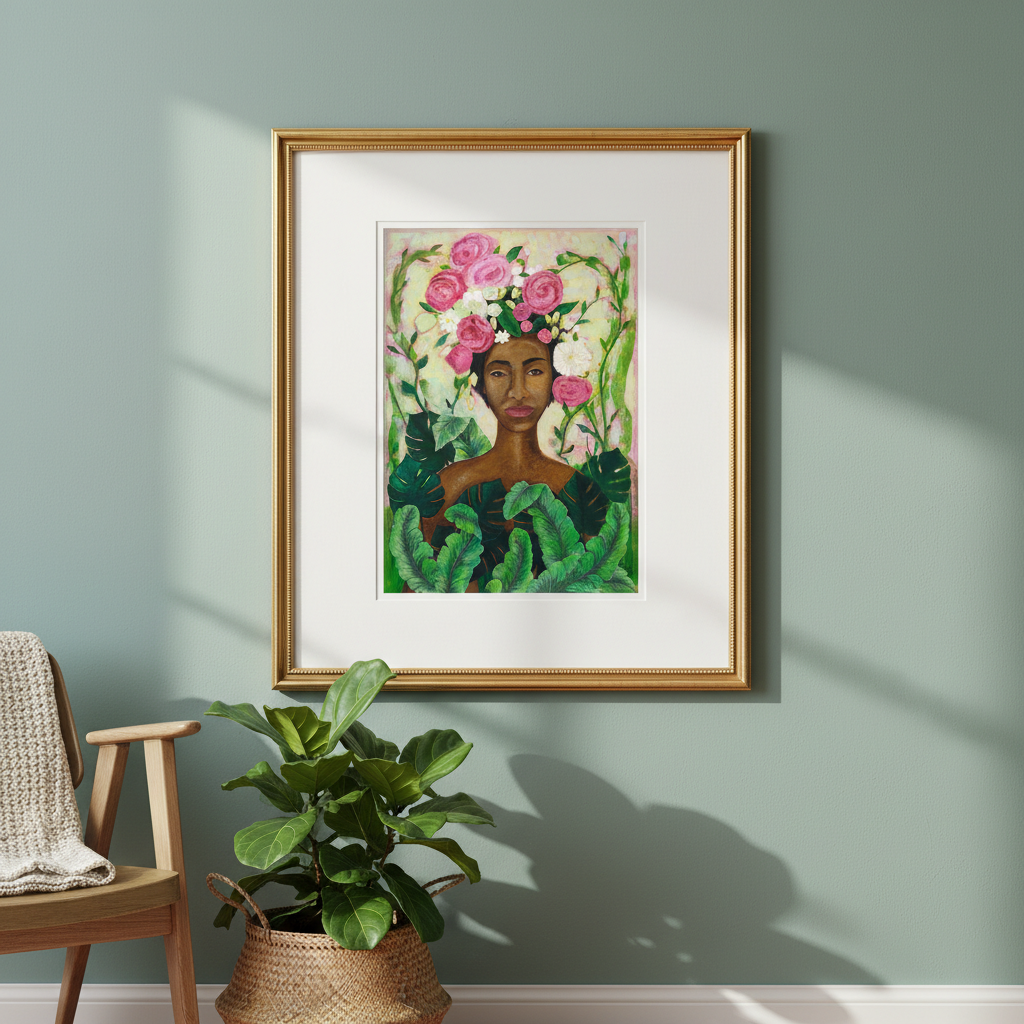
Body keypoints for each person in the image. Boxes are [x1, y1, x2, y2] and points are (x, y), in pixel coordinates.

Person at [421, 332, 575, 544]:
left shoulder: (576, 489)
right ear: (481, 383)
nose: (518, 392)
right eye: (498, 373)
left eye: (535, 371)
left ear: (554, 380)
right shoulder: (450, 486)